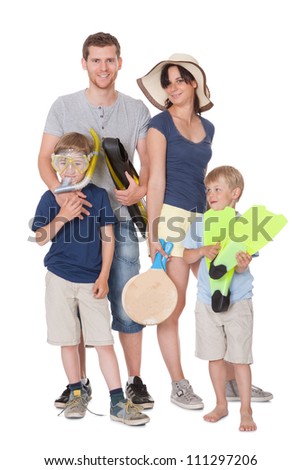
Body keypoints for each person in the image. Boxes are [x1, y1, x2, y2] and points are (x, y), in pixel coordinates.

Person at [137, 54, 273, 408]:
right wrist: (153, 237)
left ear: (194, 83)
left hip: (206, 219)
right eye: (167, 82)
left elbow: (203, 178)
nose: (173, 87)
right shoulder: (159, 124)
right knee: (175, 304)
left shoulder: (207, 127)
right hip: (171, 219)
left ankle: (231, 380)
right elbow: (156, 181)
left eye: (179, 79)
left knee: (220, 290)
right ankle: (179, 384)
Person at [38, 32, 154, 410]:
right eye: (95, 60)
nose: (102, 67)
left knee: (124, 301)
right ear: (84, 63)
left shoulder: (136, 110)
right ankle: (80, 385)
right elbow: (44, 159)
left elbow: (148, 162)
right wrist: (61, 195)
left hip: (117, 220)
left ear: (120, 62)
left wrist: (141, 190)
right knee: (75, 307)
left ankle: (134, 382)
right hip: (73, 220)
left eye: (109, 60)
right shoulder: (63, 105)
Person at [32, 132, 150, 425]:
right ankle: (75, 393)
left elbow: (108, 238)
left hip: (91, 281)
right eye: (62, 162)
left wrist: (104, 276)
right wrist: (63, 215)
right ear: (56, 164)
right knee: (68, 341)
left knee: (102, 342)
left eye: (77, 162)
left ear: (89, 163)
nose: (69, 169)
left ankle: (117, 401)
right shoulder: (50, 197)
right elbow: (39, 238)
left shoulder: (98, 196)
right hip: (58, 279)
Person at [183, 165, 257, 431]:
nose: (211, 194)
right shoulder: (200, 223)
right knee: (214, 356)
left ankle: (246, 410)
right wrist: (202, 250)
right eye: (208, 190)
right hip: (206, 299)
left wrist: (241, 265)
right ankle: (221, 404)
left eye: (218, 189)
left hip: (238, 300)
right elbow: (186, 256)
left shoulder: (244, 225)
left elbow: (242, 267)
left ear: (234, 193)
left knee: (239, 358)